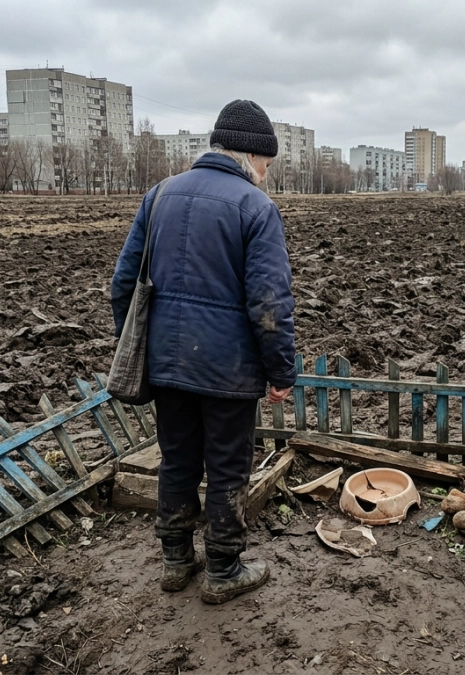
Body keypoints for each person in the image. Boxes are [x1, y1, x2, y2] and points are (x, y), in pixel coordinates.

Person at [110, 99, 296, 604]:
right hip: (227, 370)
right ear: (251, 156)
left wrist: (141, 346)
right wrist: (281, 370)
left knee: (177, 460)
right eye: (267, 164)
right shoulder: (256, 208)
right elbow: (269, 304)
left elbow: (123, 283)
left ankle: (176, 561)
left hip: (167, 363)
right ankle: (223, 569)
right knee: (228, 467)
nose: (266, 175)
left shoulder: (159, 195)